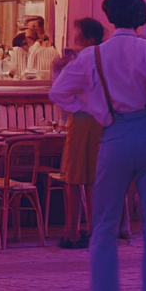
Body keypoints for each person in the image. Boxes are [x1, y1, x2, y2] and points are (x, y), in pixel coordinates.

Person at [48, 0, 146, 291]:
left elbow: (59, 92)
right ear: (142, 17)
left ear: (110, 17)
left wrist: (96, 111)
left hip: (115, 134)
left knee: (104, 224)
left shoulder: (93, 56)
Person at [51, 17, 106, 249]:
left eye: (77, 32)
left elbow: (58, 91)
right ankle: (95, 228)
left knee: (73, 177)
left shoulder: (82, 57)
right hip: (103, 121)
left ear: (86, 37)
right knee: (95, 178)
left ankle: (71, 231)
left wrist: (78, 105)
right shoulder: (106, 55)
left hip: (82, 120)